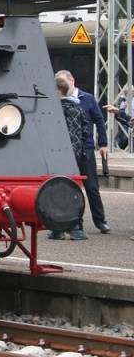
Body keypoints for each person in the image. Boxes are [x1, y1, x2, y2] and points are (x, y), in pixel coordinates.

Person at [55, 70, 111, 237]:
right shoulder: (56, 102)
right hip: (67, 150)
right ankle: (76, 224)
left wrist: (103, 143)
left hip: (85, 148)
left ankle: (100, 221)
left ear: (72, 81)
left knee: (92, 186)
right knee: (70, 187)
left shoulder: (87, 99)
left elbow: (99, 120)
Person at [53, 77, 91, 240]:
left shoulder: (53, 110)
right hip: (74, 154)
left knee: (55, 189)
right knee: (74, 189)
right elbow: (85, 131)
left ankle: (57, 228)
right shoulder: (78, 109)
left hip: (56, 153)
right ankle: (77, 227)